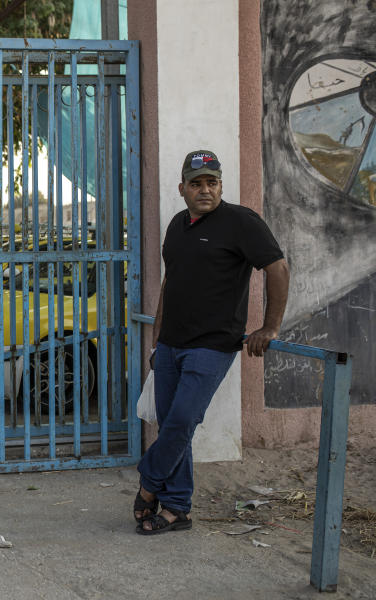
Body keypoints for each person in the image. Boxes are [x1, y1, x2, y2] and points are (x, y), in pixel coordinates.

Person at [133, 149, 290, 536]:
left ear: (220, 185)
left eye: (212, 182)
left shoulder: (241, 222)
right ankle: (177, 508)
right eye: (196, 183)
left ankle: (149, 485)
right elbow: (171, 282)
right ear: (182, 188)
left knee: (184, 418)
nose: (205, 189)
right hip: (170, 344)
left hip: (213, 346)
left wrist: (269, 327)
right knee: (172, 425)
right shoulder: (176, 226)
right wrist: (156, 338)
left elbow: (277, 267)